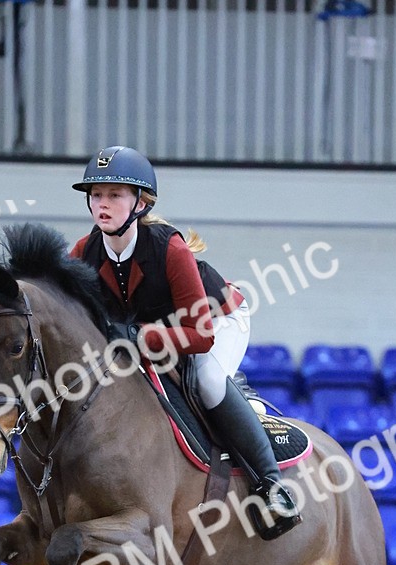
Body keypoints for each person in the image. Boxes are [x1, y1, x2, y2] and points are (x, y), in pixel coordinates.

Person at [70, 145, 301, 539]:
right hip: (155, 333)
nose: (102, 205)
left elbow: (200, 335)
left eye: (114, 195)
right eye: (96, 196)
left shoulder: (169, 248)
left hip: (217, 320)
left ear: (140, 203)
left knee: (207, 381)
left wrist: (142, 336)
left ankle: (271, 486)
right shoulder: (83, 252)